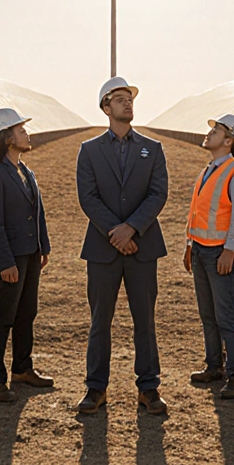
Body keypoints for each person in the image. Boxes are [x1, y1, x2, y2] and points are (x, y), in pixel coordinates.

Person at [76, 76, 170, 416]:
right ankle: (96, 388)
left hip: (142, 247)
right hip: (103, 250)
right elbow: (88, 197)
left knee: (145, 320)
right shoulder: (89, 150)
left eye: (130, 98)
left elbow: (158, 193)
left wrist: (131, 229)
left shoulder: (152, 148)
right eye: (119, 98)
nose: (128, 102)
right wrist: (115, 232)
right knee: (100, 320)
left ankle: (149, 387)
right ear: (106, 107)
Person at [0, 108, 53, 403]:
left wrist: (43, 246)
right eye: (21, 131)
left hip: (30, 254)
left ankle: (22, 369)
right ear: (7, 138)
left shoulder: (25, 170)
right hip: (11, 258)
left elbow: (38, 213)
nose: (27, 134)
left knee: (26, 313)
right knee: (3, 317)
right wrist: (4, 262)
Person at [184, 114, 234, 400]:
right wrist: (190, 244)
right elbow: (198, 211)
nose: (209, 133)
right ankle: (214, 366)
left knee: (226, 315)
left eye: (217, 130)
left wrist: (230, 248)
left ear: (229, 141)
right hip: (201, 249)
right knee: (207, 313)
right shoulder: (209, 170)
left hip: (220, 252)